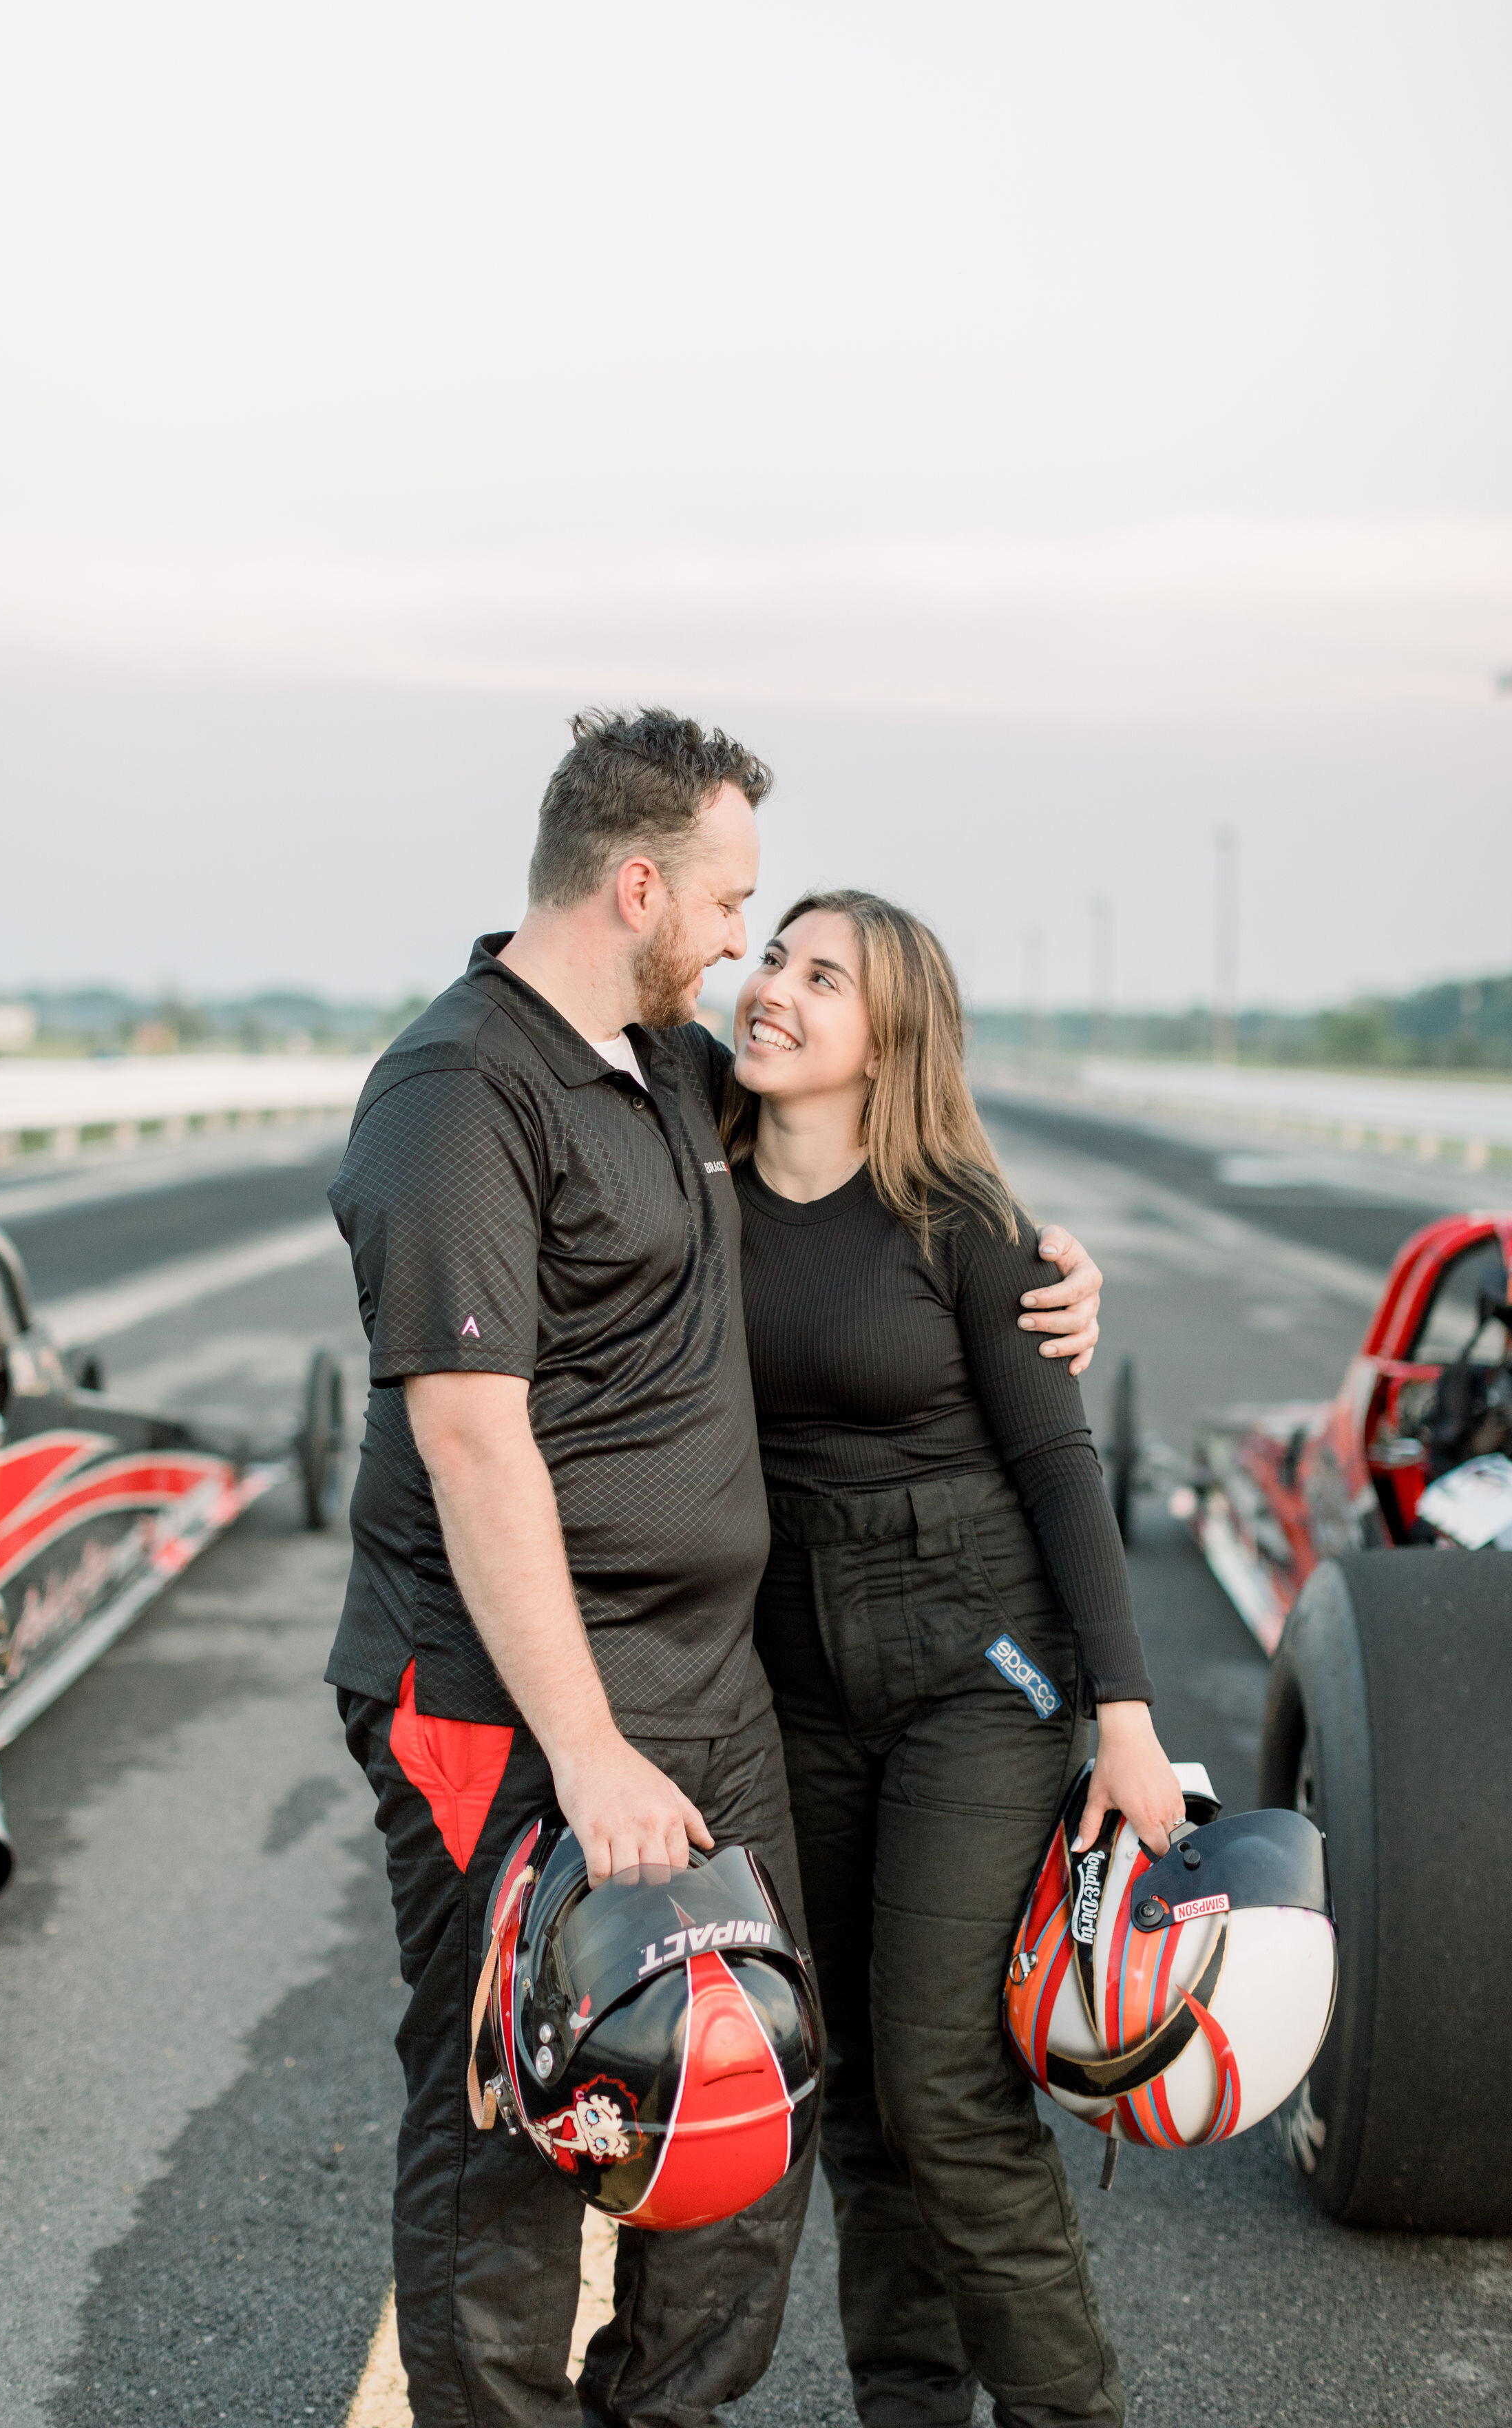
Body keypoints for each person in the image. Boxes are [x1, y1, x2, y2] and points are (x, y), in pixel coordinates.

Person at [326, 711, 1106, 2428]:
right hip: (513, 1706)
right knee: (533, 2121)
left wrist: (1040, 1275)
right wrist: (590, 1750)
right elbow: (472, 1445)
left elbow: (864, 1187)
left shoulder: (672, 1070)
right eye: (731, 902)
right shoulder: (457, 1096)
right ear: (636, 885)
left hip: (716, 1687)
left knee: (754, 2103)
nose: (744, 943)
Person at [726, 888, 1183, 2428]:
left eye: (820, 977)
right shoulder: (686, 1186)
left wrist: (1124, 1716)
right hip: (793, 1679)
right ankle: (908, 2409)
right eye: (772, 958)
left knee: (942, 2081)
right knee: (850, 2087)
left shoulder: (966, 1227)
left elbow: (1062, 1467)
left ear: (890, 1037)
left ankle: (1070, 2415)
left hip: (976, 1675)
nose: (775, 989)